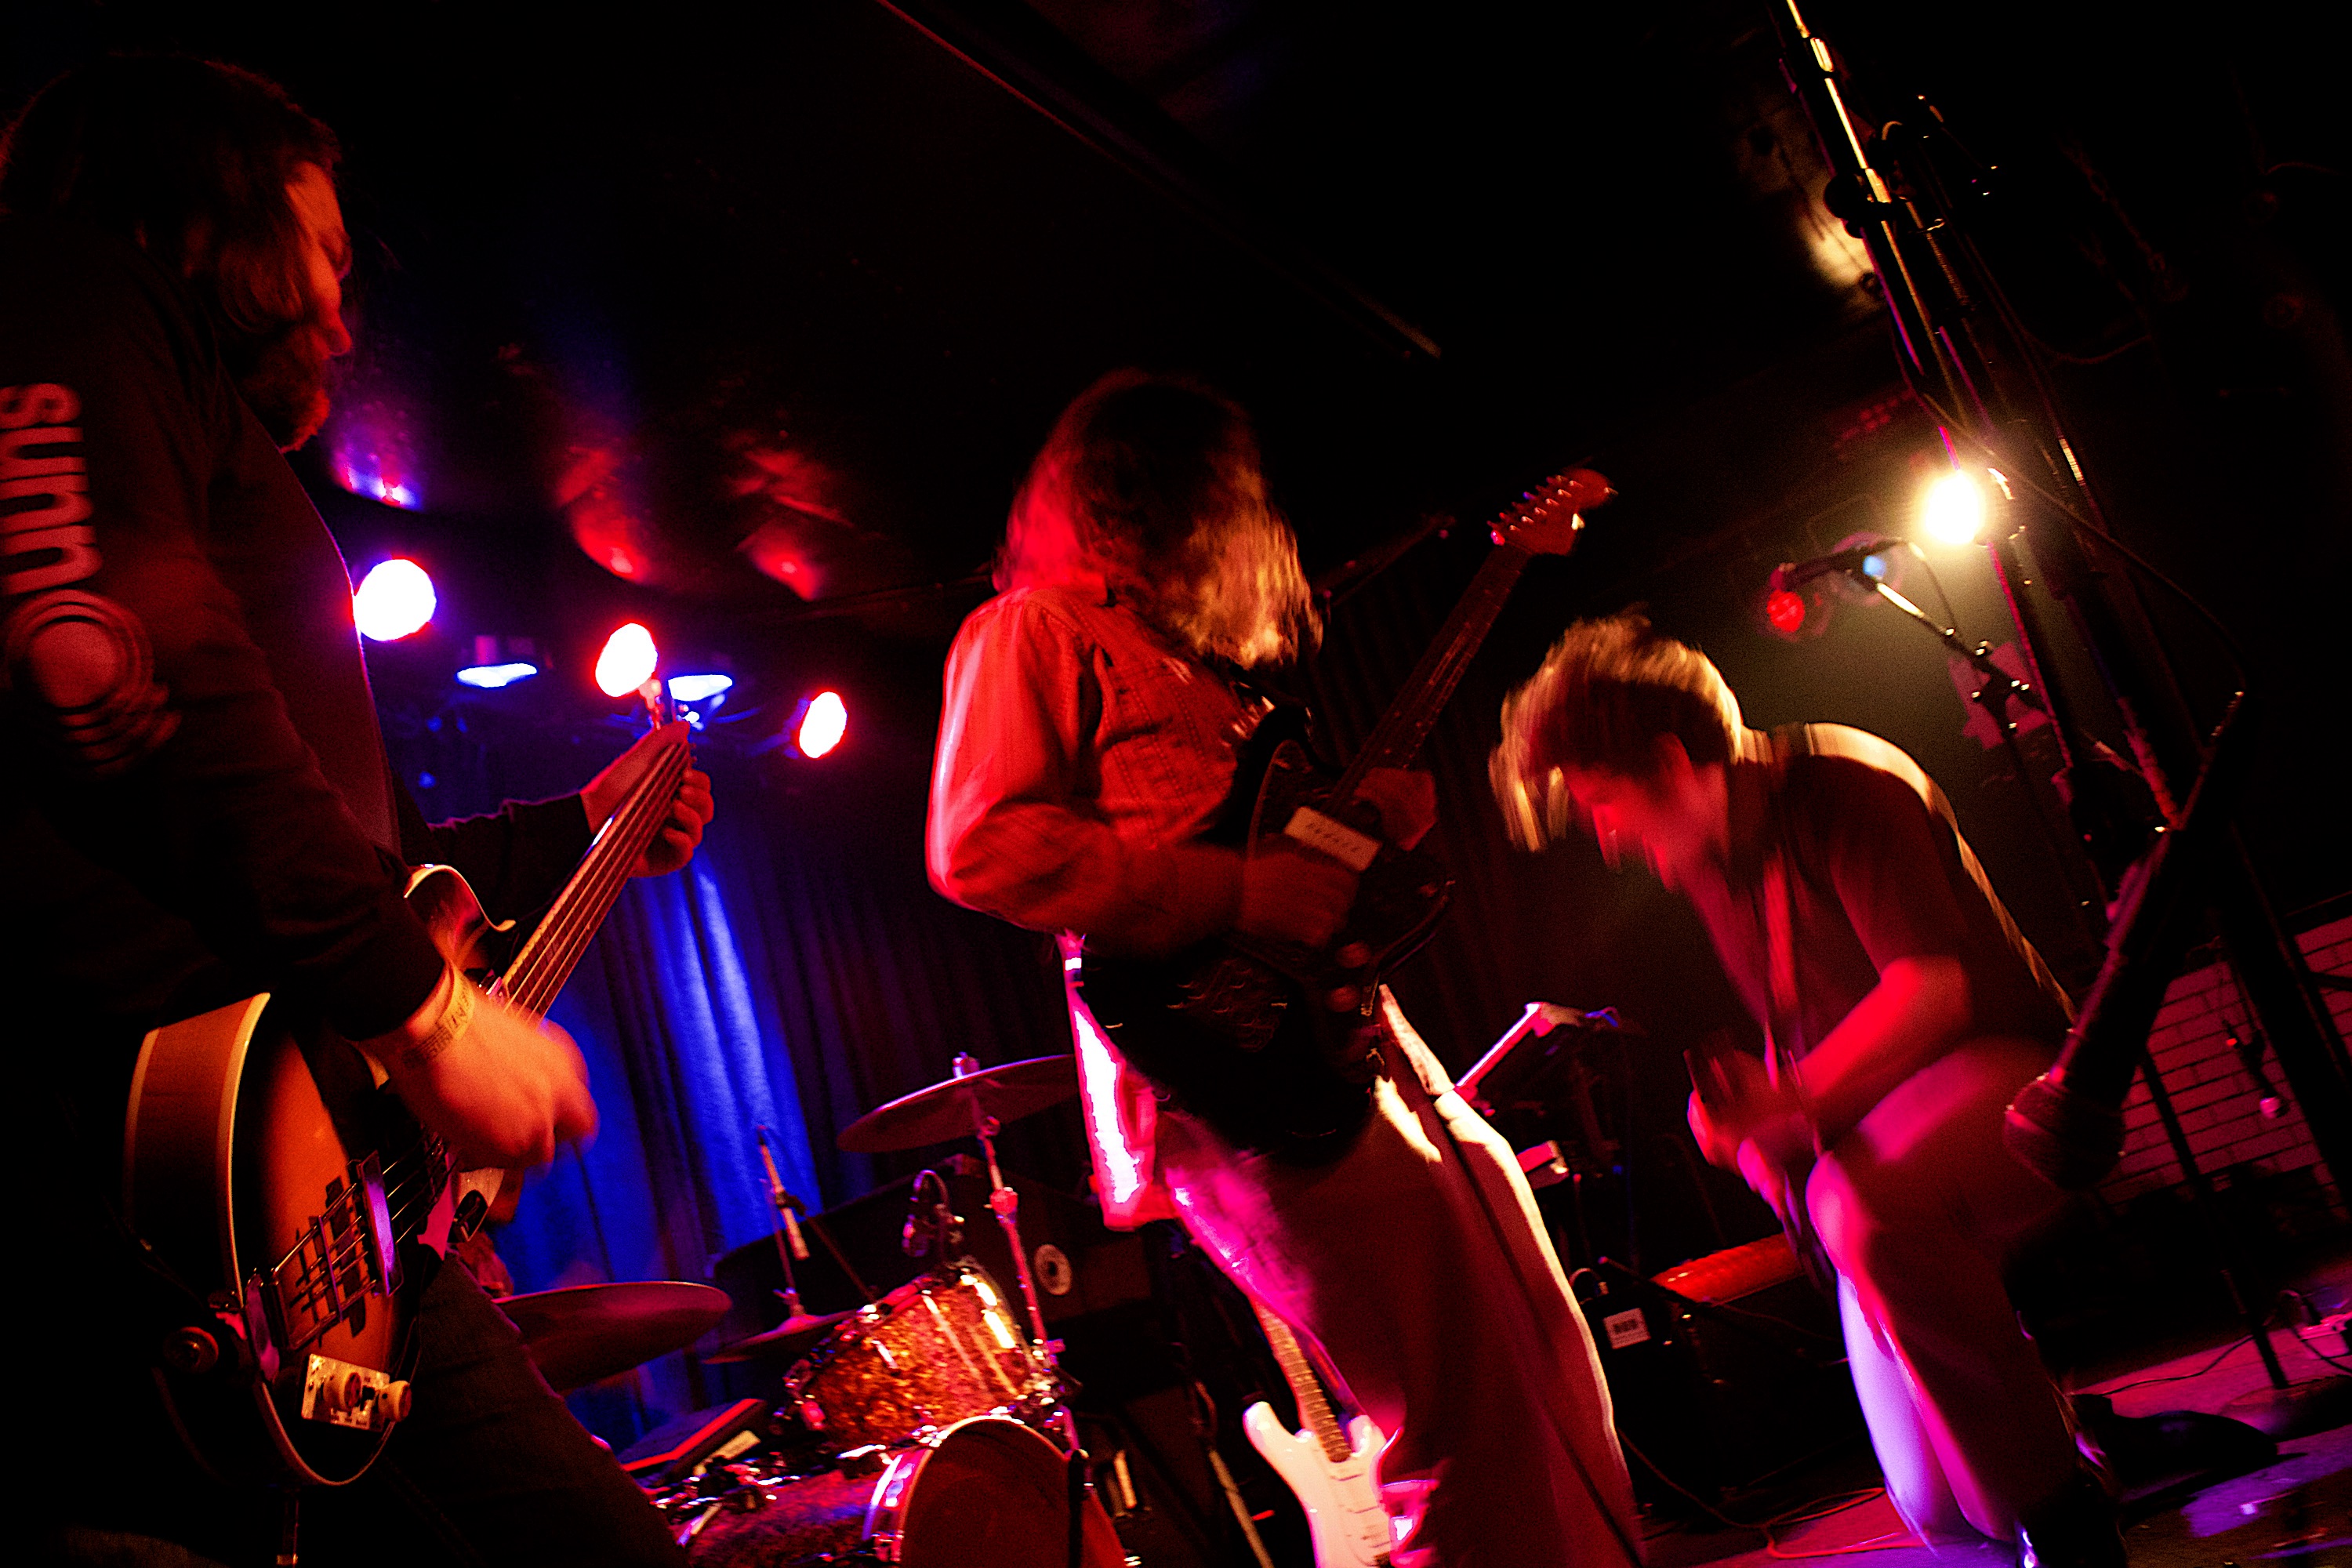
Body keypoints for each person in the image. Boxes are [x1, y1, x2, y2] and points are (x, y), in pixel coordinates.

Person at [2, 56, 710, 1566]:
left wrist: (568, 831)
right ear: (208, 213)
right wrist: (430, 1021)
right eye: (321, 250)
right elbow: (104, 662)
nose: (340, 313)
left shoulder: (182, 425)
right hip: (157, 1194)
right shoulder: (62, 287)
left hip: (289, 1212)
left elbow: (322, 848)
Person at [926, 370, 1641, 1568]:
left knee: (1540, 1341)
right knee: (1452, 1400)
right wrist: (1238, 892)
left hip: (1347, 1028)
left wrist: (1367, 833)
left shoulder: (1196, 662)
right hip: (1229, 1066)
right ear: (1150, 502)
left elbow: (1267, 848)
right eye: (1217, 496)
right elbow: (979, 845)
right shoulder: (1031, 629)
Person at [1490, 614, 2123, 1568]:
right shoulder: (1718, 870)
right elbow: (1820, 1054)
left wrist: (1784, 1104)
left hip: (2027, 1080)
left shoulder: (1841, 784)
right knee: (1942, 1510)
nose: (1610, 841)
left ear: (1671, 762)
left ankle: (2071, 1527)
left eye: (1606, 803)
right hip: (1906, 1127)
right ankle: (2063, 1454)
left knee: (1865, 1205)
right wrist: (1757, 1125)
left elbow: (1932, 989)